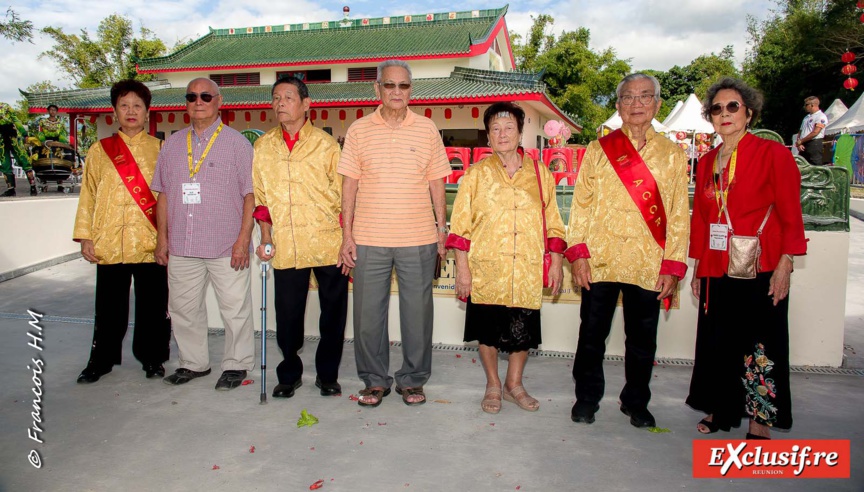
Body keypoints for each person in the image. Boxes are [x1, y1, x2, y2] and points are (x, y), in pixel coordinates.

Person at [566, 73, 690, 428]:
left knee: (642, 340)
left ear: (658, 105)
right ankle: (586, 398)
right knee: (591, 335)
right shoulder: (597, 149)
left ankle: (636, 401)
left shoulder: (672, 154)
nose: (637, 104)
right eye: (629, 98)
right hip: (599, 260)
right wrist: (578, 254)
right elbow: (581, 206)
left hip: (648, 262)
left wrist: (673, 264)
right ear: (618, 106)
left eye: (645, 97)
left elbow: (680, 212)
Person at [687, 77, 807, 440]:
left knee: (761, 344)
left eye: (732, 106)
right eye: (717, 109)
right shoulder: (707, 161)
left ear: (749, 112)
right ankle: (720, 408)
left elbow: (790, 212)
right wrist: (697, 267)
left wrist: (786, 262)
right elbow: (703, 219)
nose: (724, 114)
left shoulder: (773, 154)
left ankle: (760, 421)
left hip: (761, 265)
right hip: (718, 265)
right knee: (718, 340)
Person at [337, 59, 451, 407]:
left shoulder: (428, 129)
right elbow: (349, 186)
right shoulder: (358, 130)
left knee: (417, 314)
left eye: (403, 86)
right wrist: (347, 235)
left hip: (418, 236)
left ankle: (413, 381)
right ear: (378, 89)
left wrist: (441, 230)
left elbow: (437, 182)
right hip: (369, 237)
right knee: (368, 316)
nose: (396, 92)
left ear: (411, 90)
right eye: (389, 85)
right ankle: (374, 381)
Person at [446, 102, 566, 413]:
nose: (502, 134)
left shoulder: (541, 174)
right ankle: (493, 384)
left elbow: (553, 221)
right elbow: (459, 229)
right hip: (486, 268)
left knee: (522, 328)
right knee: (487, 329)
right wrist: (463, 271)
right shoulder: (474, 175)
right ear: (487, 137)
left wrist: (555, 262)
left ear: (520, 132)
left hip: (525, 265)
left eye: (509, 128)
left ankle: (514, 383)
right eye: (495, 129)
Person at [152, 77, 256, 391]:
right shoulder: (171, 144)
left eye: (206, 96)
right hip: (182, 243)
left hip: (226, 245)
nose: (199, 101)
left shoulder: (237, 143)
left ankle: (236, 365)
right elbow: (163, 194)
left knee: (235, 309)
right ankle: (193, 363)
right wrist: (162, 239)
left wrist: (243, 240)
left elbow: (251, 196)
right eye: (192, 96)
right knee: (183, 309)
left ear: (219, 101)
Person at [252, 76, 348, 398]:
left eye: (288, 97)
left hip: (327, 243)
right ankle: (289, 373)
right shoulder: (263, 147)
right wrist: (265, 236)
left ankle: (327, 375)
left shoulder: (326, 145)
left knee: (332, 314)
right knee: (288, 316)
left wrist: (348, 239)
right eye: (276, 98)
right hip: (286, 246)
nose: (280, 103)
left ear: (306, 104)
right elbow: (261, 200)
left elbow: (343, 198)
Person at [72, 80, 171, 383]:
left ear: (147, 112)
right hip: (110, 241)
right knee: (108, 308)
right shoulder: (99, 151)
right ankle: (100, 360)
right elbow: (87, 195)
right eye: (124, 106)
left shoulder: (161, 149)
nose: (131, 111)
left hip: (149, 241)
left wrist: (167, 239)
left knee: (153, 307)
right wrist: (86, 235)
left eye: (137, 106)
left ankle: (153, 359)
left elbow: (169, 196)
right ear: (114, 111)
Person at [0, 102, 37, 196]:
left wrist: (24, 133)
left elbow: (15, 119)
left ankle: (33, 186)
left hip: (13, 136)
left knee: (23, 159)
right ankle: (11, 189)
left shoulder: (5, 106)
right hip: (1, 139)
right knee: (5, 163)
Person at [795, 96, 827, 166]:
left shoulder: (821, 116)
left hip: (814, 143)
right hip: (803, 144)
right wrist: (799, 143)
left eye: (806, 105)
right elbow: (800, 131)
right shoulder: (806, 117)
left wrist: (801, 141)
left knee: (814, 166)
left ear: (812, 105)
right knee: (801, 165)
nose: (804, 107)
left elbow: (815, 132)